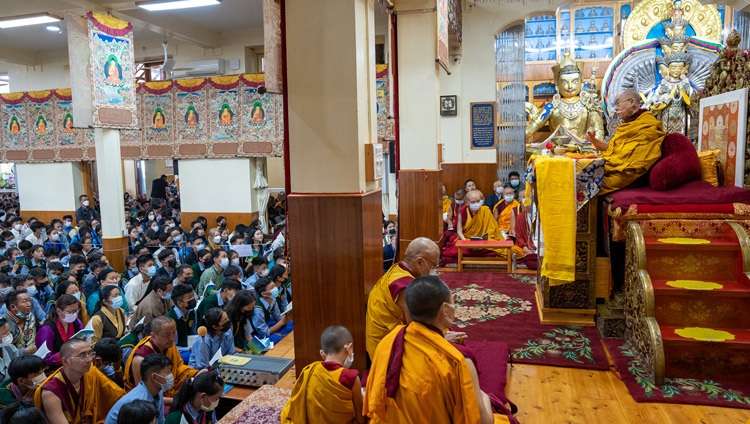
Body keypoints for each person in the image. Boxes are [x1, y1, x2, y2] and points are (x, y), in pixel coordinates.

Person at [364, 276, 502, 424]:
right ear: (445, 309)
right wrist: (485, 398)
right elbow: (483, 421)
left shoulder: (388, 342)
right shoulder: (457, 362)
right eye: (452, 301)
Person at [366, 237, 465, 360]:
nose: (435, 269)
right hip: (387, 350)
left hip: (386, 339)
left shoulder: (397, 269)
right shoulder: (405, 286)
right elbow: (417, 328)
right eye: (434, 264)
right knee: (457, 354)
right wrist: (441, 337)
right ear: (419, 263)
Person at [586, 88, 666, 194]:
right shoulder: (626, 126)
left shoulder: (648, 125)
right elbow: (612, 148)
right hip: (613, 168)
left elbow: (637, 162)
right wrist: (594, 140)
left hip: (626, 173)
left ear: (632, 102)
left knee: (589, 183)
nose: (616, 109)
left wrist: (609, 166)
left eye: (618, 104)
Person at [281, 325, 365, 424]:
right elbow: (360, 419)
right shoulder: (351, 378)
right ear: (349, 348)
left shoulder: (309, 370)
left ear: (322, 354)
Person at [35, 338, 125, 424]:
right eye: (82, 356)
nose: (89, 359)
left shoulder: (92, 373)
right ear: (65, 361)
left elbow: (118, 397)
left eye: (90, 354)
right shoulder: (51, 391)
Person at [124, 315, 197, 398]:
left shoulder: (169, 345)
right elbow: (143, 395)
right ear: (153, 335)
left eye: (174, 333)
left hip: (170, 391)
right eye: (167, 335)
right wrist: (175, 401)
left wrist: (196, 374)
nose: (172, 338)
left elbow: (178, 367)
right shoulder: (140, 359)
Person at [442, 190, 525, 263]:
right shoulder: (462, 212)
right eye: (473, 202)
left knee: (511, 250)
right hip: (467, 240)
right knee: (453, 251)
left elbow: (492, 230)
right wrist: (467, 243)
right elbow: (459, 231)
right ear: (467, 203)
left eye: (478, 201)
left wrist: (483, 242)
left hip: (485, 241)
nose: (476, 204)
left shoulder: (485, 211)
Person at [105, 354, 171, 424]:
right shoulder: (139, 402)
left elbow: (160, 421)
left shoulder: (157, 390)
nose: (171, 376)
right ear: (154, 377)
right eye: (168, 372)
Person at [36, 295, 83, 368]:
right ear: (59, 311)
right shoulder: (47, 330)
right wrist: (70, 353)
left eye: (76, 310)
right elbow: (45, 358)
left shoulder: (76, 322)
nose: (74, 314)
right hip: (55, 369)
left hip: (74, 363)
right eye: (71, 312)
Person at [252, 278, 292, 344]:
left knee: (292, 324)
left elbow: (278, 318)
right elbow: (264, 333)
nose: (275, 288)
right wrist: (282, 322)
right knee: (277, 338)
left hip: (270, 325)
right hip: (260, 334)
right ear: (264, 294)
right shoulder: (258, 309)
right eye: (272, 287)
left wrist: (287, 318)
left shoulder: (273, 299)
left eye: (274, 286)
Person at [165, 283, 197, 364]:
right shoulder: (171, 320)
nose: (193, 299)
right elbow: (172, 345)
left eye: (193, 296)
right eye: (189, 298)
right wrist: (188, 348)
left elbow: (194, 333)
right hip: (176, 351)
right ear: (180, 303)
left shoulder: (192, 313)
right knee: (194, 357)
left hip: (190, 346)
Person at [4, 290, 36, 354]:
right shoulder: (4, 324)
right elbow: (4, 351)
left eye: (29, 300)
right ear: (13, 307)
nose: (29, 304)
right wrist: (24, 351)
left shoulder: (30, 316)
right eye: (25, 301)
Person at [0, 316, 21, 383]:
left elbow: (18, 369)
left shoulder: (11, 348)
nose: (9, 334)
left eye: (8, 331)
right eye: (5, 333)